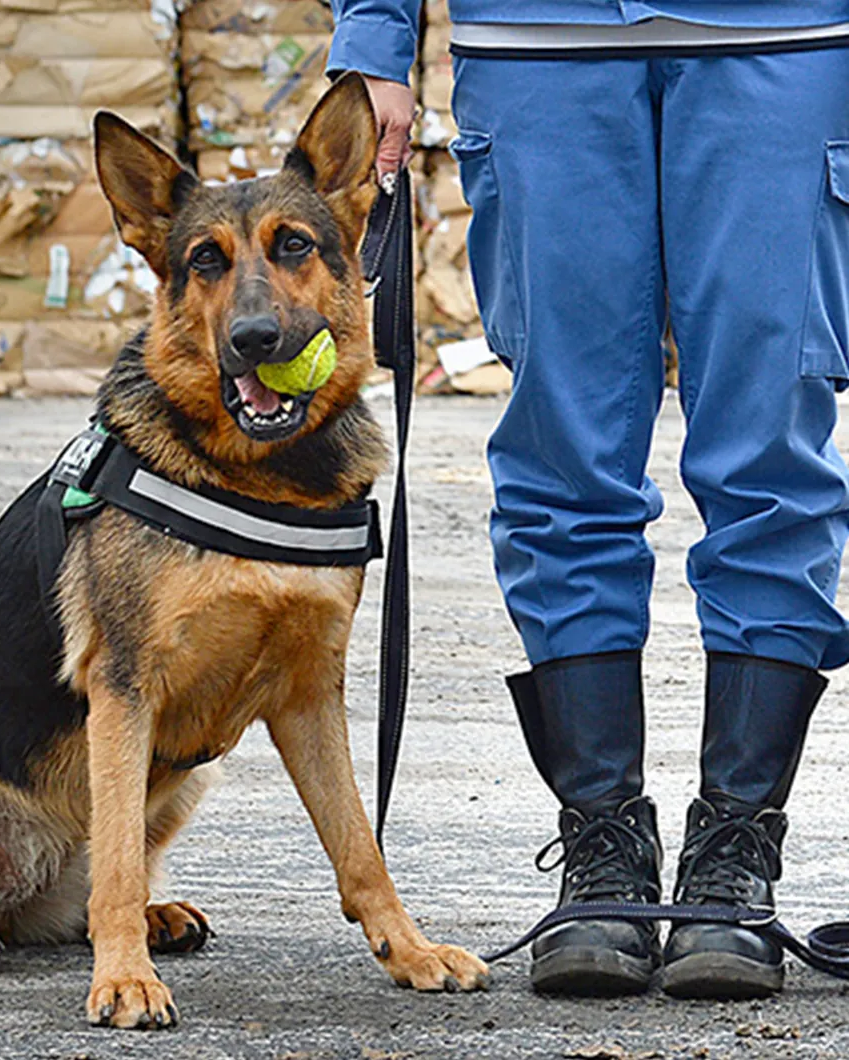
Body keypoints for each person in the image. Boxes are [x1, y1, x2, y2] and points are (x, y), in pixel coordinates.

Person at [327, 1, 849, 999]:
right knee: (558, 458)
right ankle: (601, 848)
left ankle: (732, 857)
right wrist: (373, 39)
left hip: (782, 40)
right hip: (538, 42)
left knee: (771, 458)